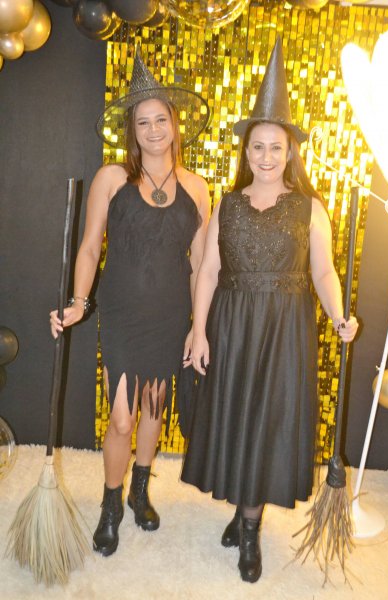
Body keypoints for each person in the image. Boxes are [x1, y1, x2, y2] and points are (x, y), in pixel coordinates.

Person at [180, 37, 358, 584]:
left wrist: (338, 315)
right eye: (256, 147)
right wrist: (199, 331)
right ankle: (244, 512)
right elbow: (208, 271)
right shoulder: (227, 205)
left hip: (284, 329)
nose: (265, 156)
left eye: (275, 147)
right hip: (232, 326)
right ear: (246, 152)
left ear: (290, 152)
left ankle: (250, 527)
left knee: (267, 420)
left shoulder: (310, 208)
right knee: (237, 416)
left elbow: (324, 272)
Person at [50, 45, 210, 557]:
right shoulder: (112, 178)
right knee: (122, 417)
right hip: (121, 314)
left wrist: (199, 327)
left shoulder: (197, 188)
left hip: (169, 316)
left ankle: (140, 488)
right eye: (143, 122)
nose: (153, 129)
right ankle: (111, 503)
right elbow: (89, 246)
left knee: (153, 408)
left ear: (175, 124)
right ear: (132, 130)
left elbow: (201, 266)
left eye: (161, 119)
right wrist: (79, 301)